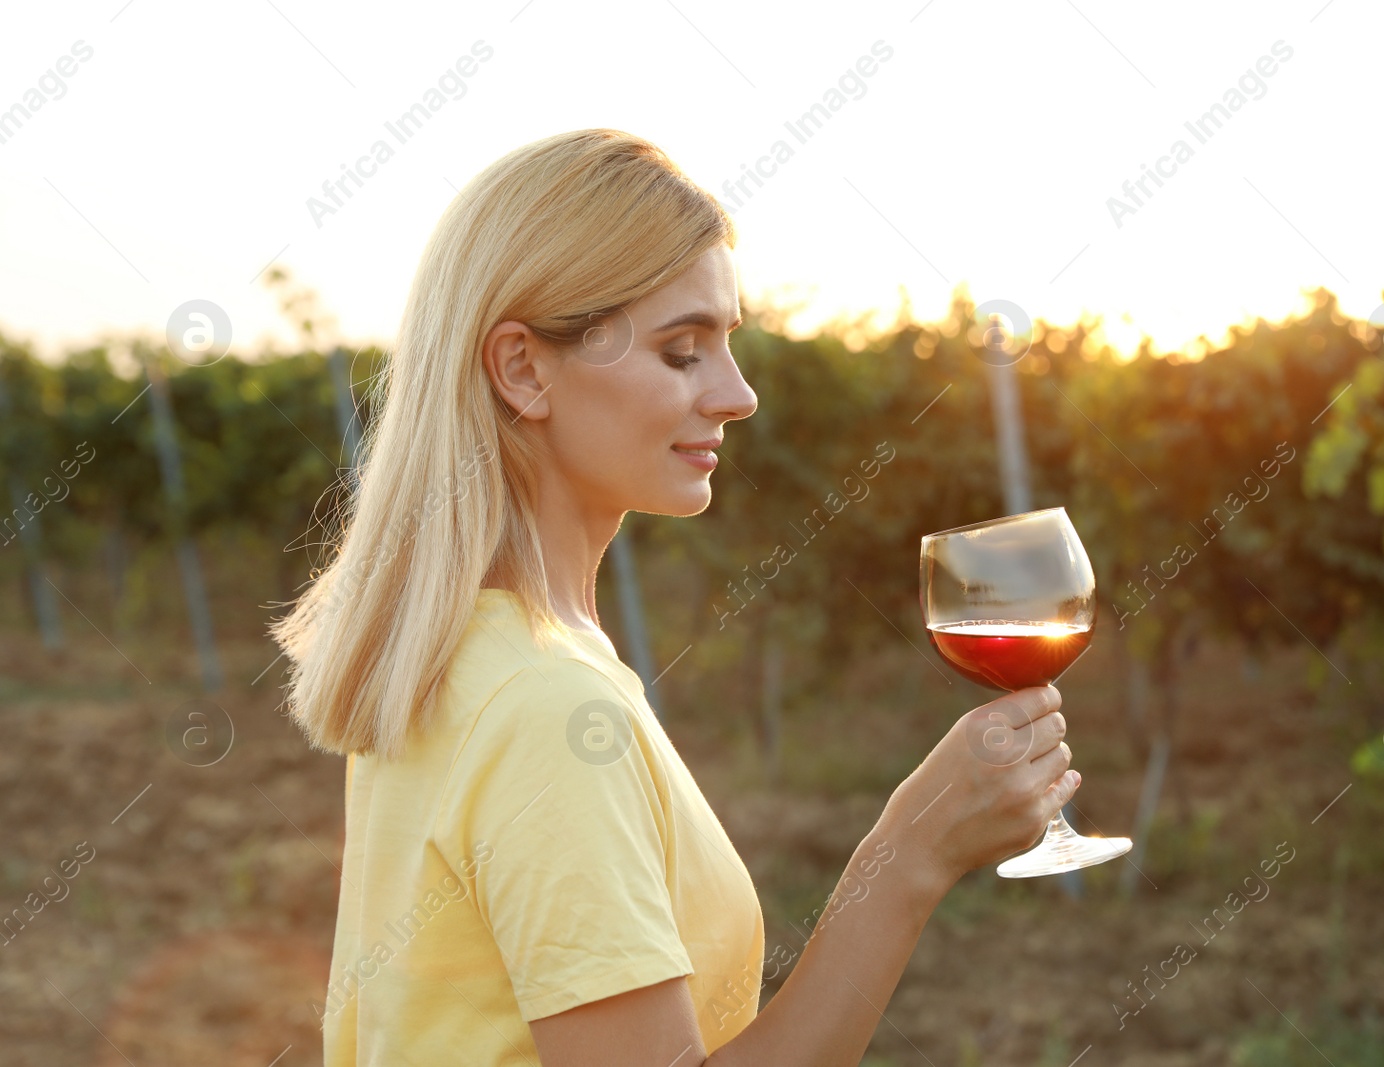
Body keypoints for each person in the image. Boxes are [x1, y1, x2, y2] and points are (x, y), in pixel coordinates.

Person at [269, 127, 1080, 1067]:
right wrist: (909, 855)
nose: (738, 395)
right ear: (523, 369)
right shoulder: (545, 707)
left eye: (726, 344)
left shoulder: (468, 655)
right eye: (683, 351)